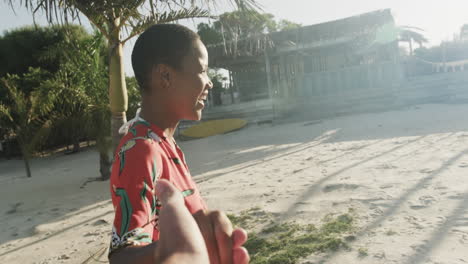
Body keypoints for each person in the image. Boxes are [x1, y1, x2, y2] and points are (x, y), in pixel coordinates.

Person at [108, 24, 249, 264]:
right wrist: (183, 246)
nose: (209, 82)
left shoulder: (163, 141)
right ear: (165, 76)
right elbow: (122, 257)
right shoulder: (141, 149)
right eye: (202, 70)